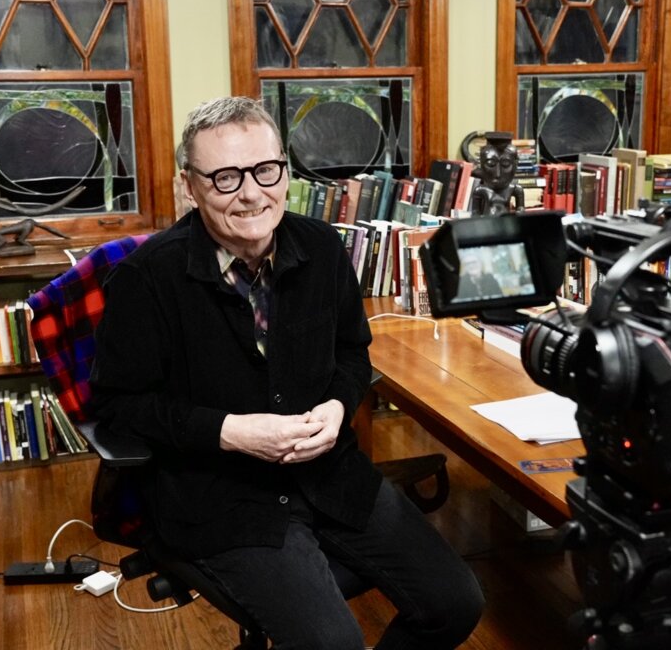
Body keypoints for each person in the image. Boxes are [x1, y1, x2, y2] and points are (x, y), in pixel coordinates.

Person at [90, 96, 483, 649]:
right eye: (225, 178)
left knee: (455, 603)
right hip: (220, 497)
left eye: (266, 170)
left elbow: (352, 354)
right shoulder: (146, 279)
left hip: (330, 476)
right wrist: (231, 432)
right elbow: (118, 408)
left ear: (286, 171)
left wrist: (338, 406)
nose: (251, 193)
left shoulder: (322, 249)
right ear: (189, 185)